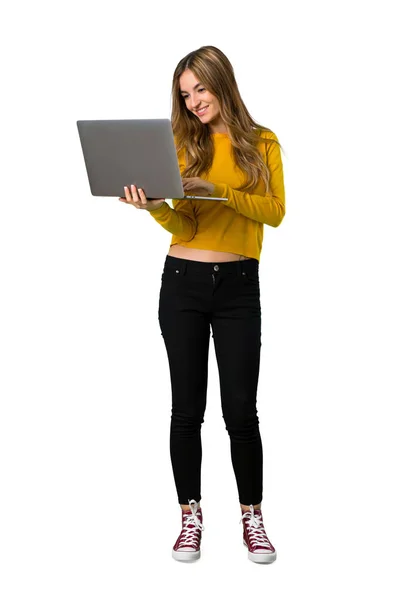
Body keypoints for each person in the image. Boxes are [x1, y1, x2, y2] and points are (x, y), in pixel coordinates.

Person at [118, 45, 286, 564]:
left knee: (241, 409)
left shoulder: (261, 142)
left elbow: (276, 213)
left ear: (221, 83)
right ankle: (190, 518)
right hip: (182, 280)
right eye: (184, 94)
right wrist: (154, 209)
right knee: (186, 409)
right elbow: (185, 226)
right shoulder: (178, 144)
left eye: (200, 89)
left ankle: (252, 517)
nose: (192, 101)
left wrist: (221, 191)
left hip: (239, 285)